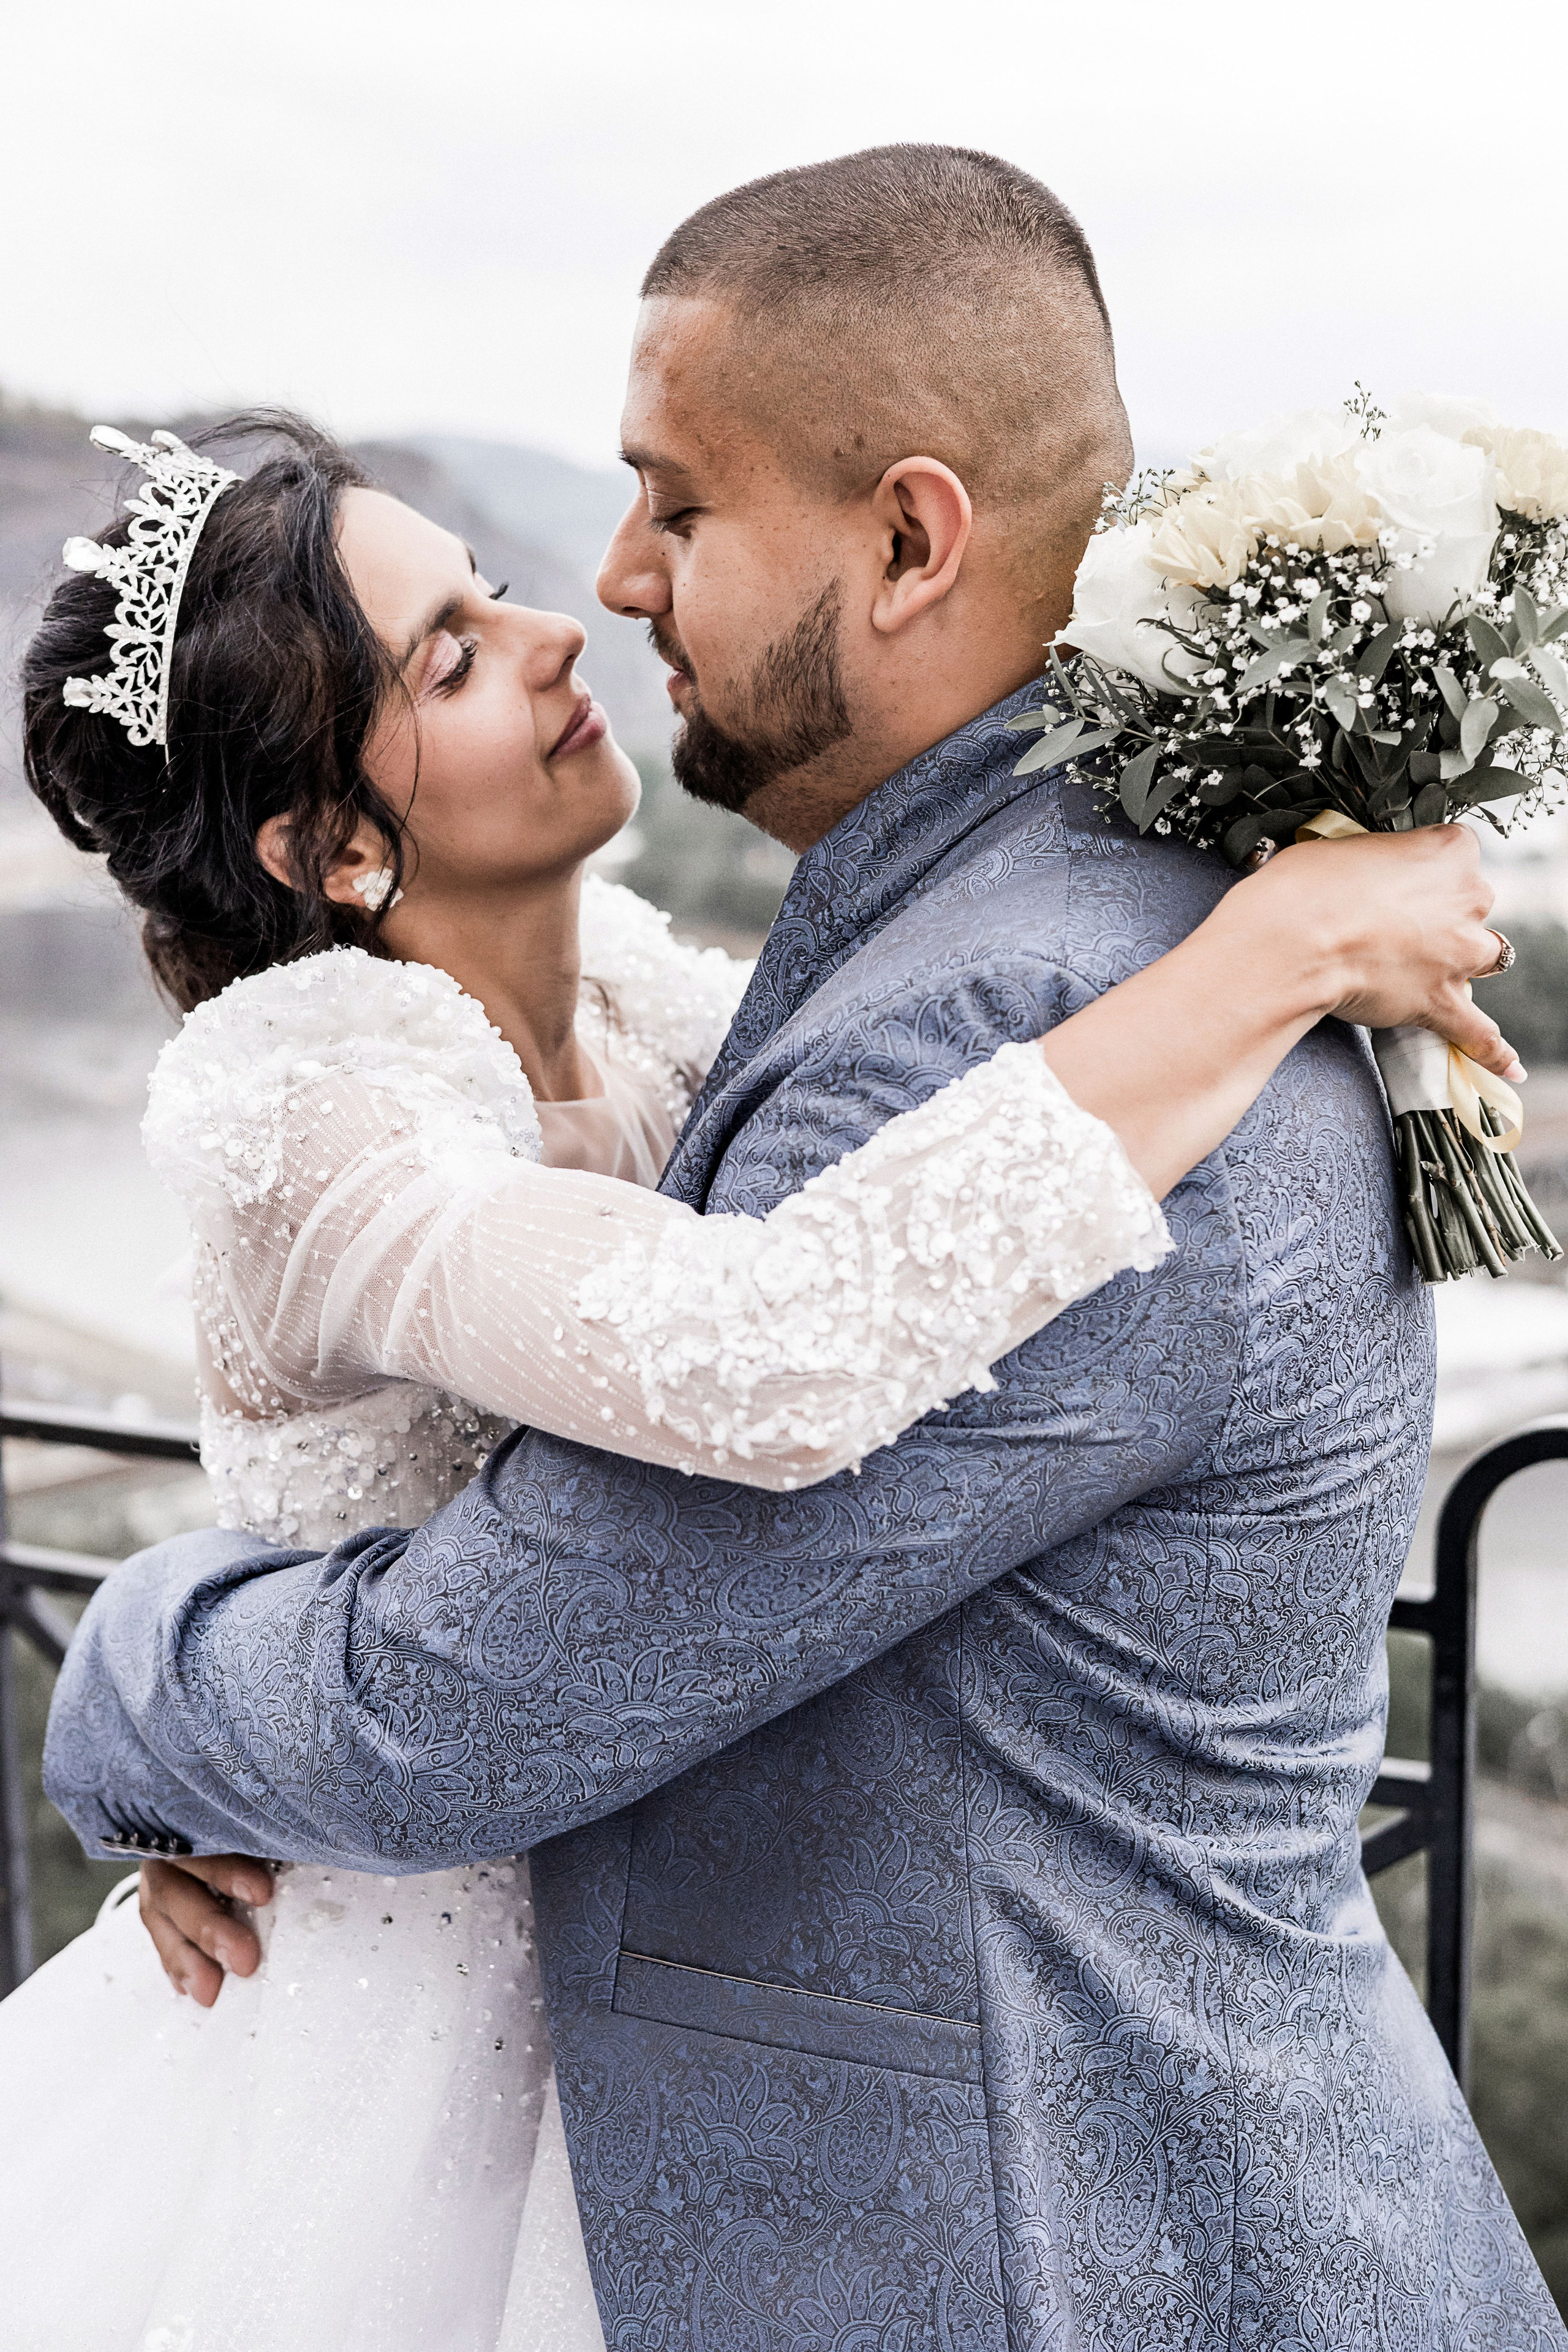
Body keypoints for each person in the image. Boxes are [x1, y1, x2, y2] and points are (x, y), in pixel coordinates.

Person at [36, 145, 1564, 2350]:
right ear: (332, 840)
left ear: (911, 537)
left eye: (670, 504)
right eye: (462, 638)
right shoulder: (1088, 928)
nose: (608, 590)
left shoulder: (994, 1005)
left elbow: (493, 1678)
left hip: (1070, 2245)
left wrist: (138, 1665)